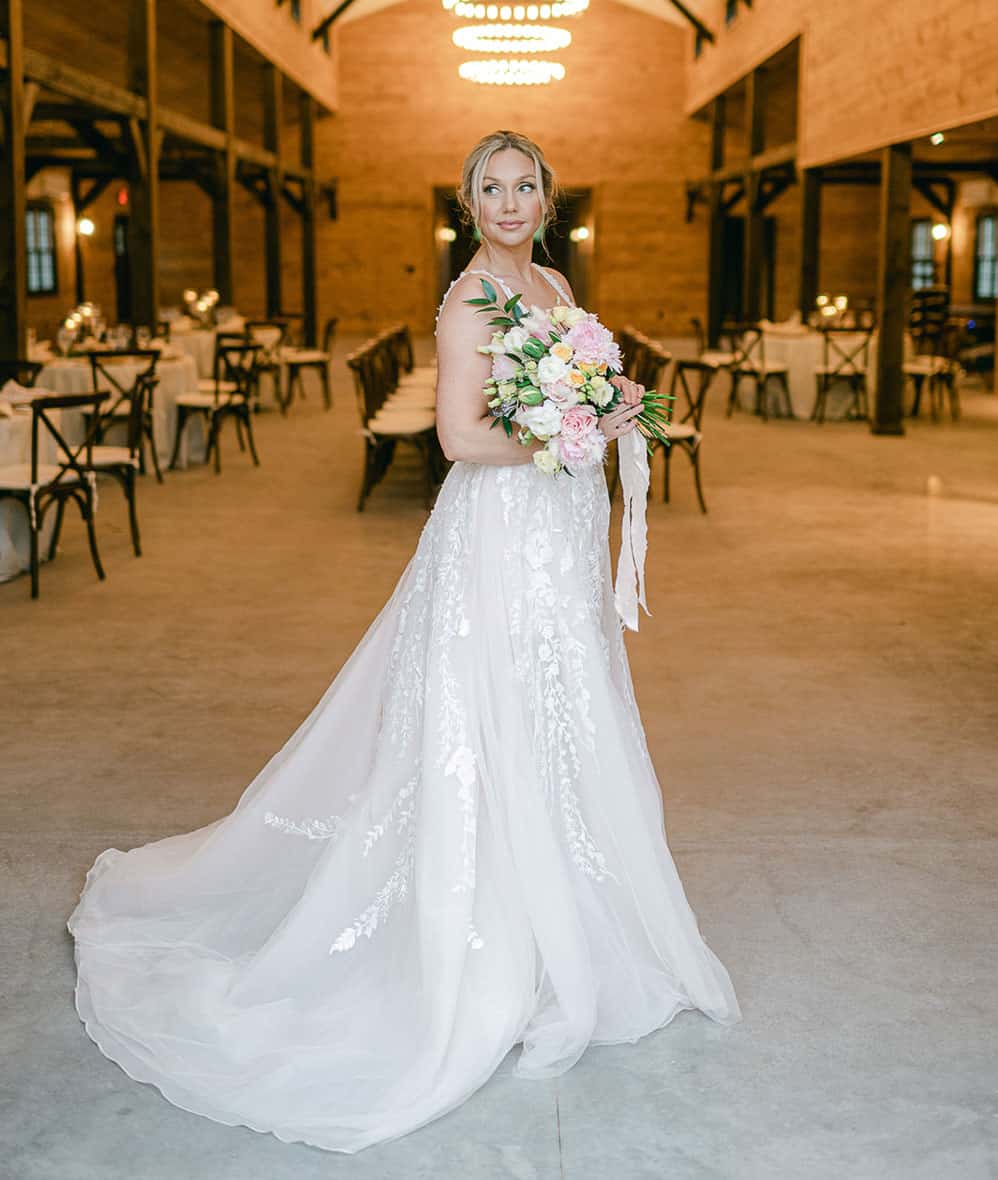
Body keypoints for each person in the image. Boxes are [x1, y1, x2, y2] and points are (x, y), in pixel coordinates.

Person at [68, 130, 741, 1155]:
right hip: (500, 537)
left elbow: (571, 394)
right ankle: (491, 943)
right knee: (495, 715)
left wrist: (600, 408)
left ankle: (577, 928)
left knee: (567, 714)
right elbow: (462, 438)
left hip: (559, 539)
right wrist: (563, 431)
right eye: (489, 189)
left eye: (523, 186)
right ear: (467, 204)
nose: (508, 203)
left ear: (546, 199)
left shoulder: (552, 281)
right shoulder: (468, 299)